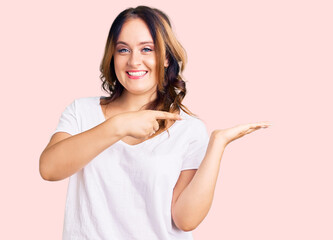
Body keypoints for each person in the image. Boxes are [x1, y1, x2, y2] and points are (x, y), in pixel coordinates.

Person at [39, 5, 271, 240]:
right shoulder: (81, 111)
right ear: (112, 56)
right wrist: (118, 126)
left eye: (147, 49)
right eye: (123, 50)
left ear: (167, 57)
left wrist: (217, 145)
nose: (134, 61)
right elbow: (49, 169)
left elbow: (185, 220)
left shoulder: (188, 129)